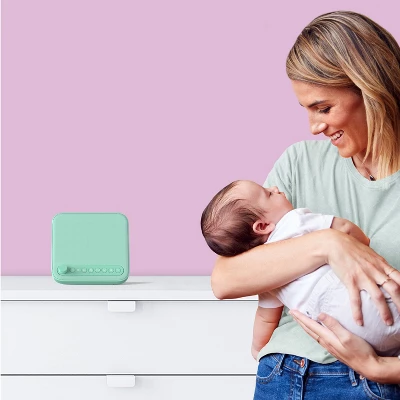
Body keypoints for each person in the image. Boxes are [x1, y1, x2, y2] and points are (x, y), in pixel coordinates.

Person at [210, 10, 400, 398]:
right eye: (308, 110)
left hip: (370, 383)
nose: (314, 127)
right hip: (281, 372)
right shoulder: (299, 163)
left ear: (370, 90)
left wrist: (381, 368)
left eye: (323, 108)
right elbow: (226, 279)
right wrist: (328, 243)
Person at [201, 179, 400, 359]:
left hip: (346, 332)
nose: (275, 188)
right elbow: (345, 229)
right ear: (262, 226)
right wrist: (363, 243)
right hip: (364, 299)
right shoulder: (295, 221)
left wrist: (257, 349)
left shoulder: (267, 276)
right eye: (268, 194)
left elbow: (266, 318)